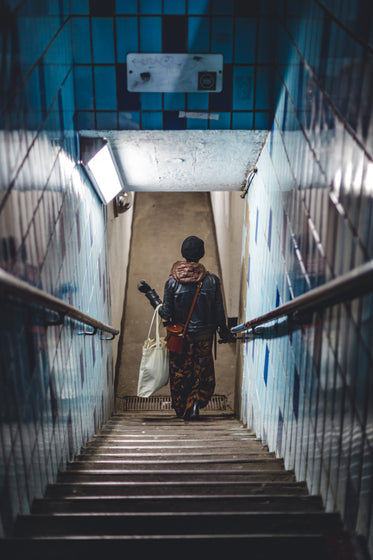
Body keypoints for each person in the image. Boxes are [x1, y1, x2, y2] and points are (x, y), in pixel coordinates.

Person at [138, 235, 235, 420]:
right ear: (202, 254)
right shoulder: (212, 281)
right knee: (203, 374)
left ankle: (182, 409)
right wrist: (224, 330)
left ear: (182, 254)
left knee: (180, 374)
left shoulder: (172, 282)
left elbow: (166, 313)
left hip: (179, 338)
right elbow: (218, 311)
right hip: (204, 337)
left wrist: (150, 294)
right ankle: (196, 402)